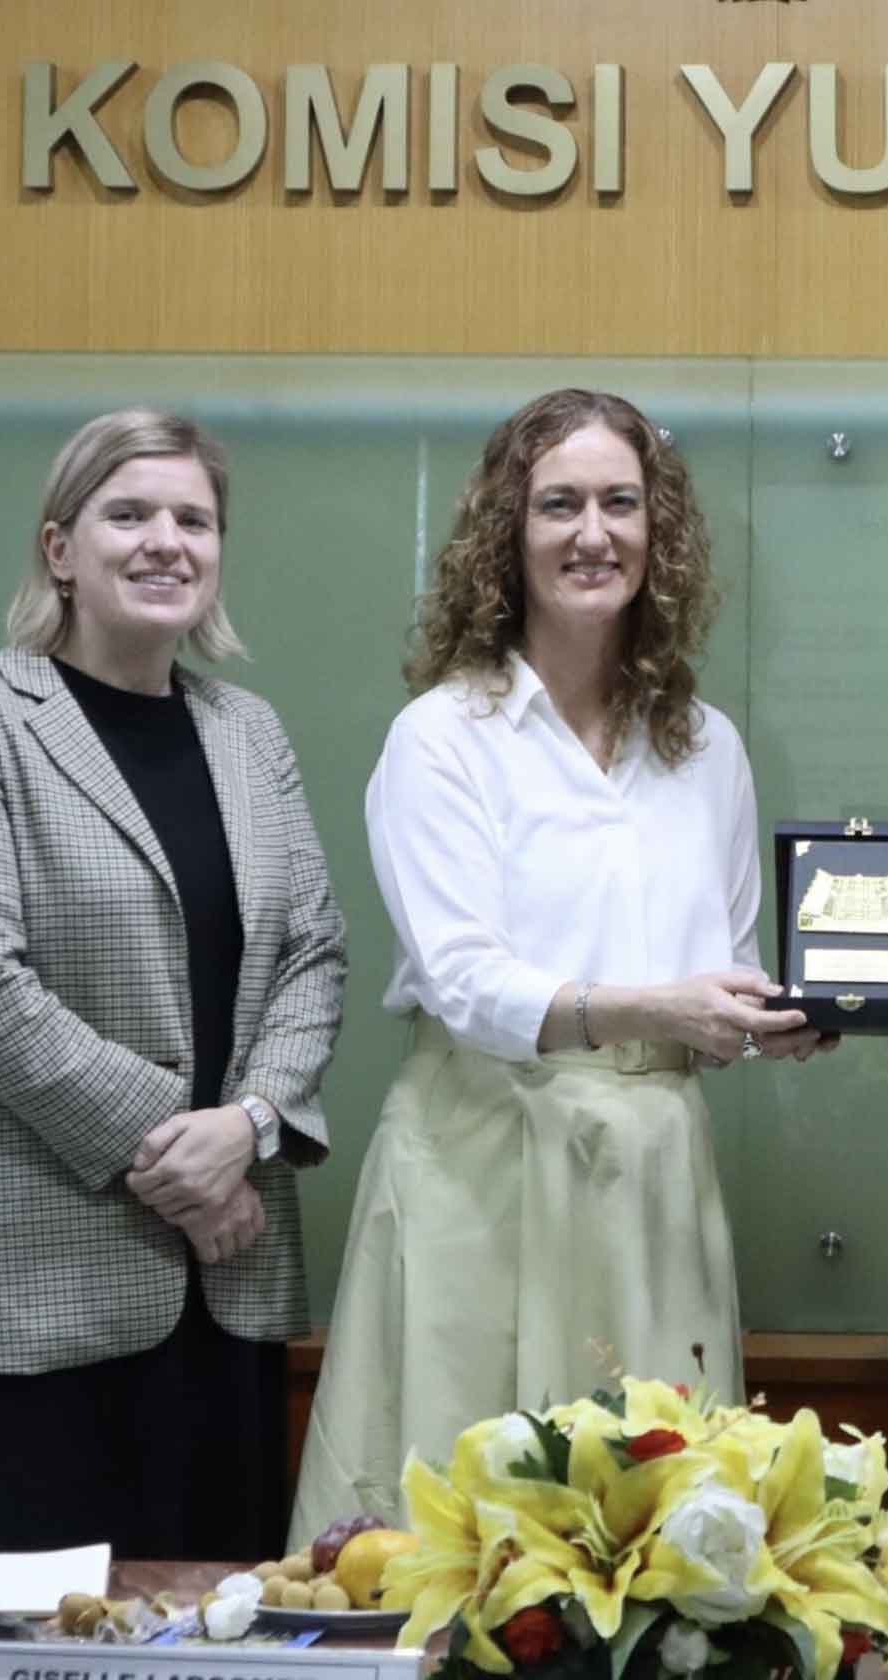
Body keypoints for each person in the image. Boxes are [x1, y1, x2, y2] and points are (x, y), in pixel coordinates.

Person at [290, 389, 823, 1543]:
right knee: (457, 1541)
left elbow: (723, 968)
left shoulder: (711, 748)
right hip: (482, 1161)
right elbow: (463, 979)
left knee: (662, 1549)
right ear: (508, 533)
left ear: (658, 531)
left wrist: (774, 1018)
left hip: (655, 1175)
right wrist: (657, 1006)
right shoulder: (442, 737)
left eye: (621, 503)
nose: (594, 533)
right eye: (559, 505)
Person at [0, 409, 346, 1560]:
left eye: (194, 519)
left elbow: (314, 954)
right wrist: (185, 1162)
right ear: (59, 549)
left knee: (222, 1620)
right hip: (34, 1292)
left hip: (228, 1288)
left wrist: (247, 1126)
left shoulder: (250, 733)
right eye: (128, 514)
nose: (165, 542)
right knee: (36, 1630)